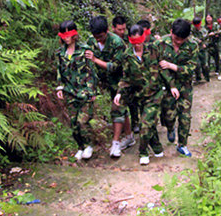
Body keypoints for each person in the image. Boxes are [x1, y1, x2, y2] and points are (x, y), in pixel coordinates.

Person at [114, 25, 178, 165]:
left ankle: (143, 152)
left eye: (139, 41)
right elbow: (126, 77)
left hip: (155, 94)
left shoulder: (154, 50)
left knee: (145, 124)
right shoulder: (127, 55)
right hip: (139, 95)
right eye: (134, 42)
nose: (137, 45)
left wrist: (172, 86)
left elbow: (163, 69)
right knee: (149, 124)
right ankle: (157, 147)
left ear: (144, 37)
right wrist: (119, 93)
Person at [85, 16, 133, 158]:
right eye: (95, 36)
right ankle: (129, 136)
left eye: (100, 36)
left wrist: (95, 59)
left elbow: (114, 67)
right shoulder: (91, 41)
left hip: (120, 81)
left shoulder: (117, 43)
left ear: (107, 31)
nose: (98, 39)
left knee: (117, 109)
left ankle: (115, 143)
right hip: (103, 81)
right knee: (122, 110)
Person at [56, 20, 97, 161]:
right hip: (70, 92)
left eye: (69, 34)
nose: (66, 37)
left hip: (84, 92)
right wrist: (60, 87)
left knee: (82, 121)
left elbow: (92, 72)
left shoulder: (84, 50)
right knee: (73, 124)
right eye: (64, 34)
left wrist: (92, 92)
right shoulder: (60, 53)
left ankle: (89, 145)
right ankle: (81, 147)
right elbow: (59, 71)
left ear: (74, 34)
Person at [158, 19, 199, 157]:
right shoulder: (160, 43)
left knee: (185, 116)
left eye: (182, 39)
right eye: (176, 39)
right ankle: (170, 128)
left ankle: (182, 144)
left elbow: (192, 68)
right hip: (166, 85)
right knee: (168, 114)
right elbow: (156, 65)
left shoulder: (193, 45)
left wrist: (172, 66)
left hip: (184, 85)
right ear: (171, 32)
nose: (179, 42)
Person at [191, 17, 209, 82]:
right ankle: (198, 78)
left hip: (203, 49)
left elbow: (207, 39)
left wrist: (205, 44)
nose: (196, 27)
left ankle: (207, 77)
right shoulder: (191, 30)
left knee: (205, 65)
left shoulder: (204, 31)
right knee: (196, 64)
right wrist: (197, 40)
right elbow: (190, 37)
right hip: (195, 49)